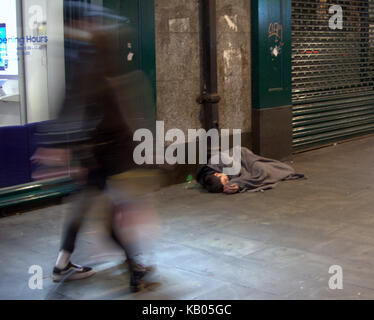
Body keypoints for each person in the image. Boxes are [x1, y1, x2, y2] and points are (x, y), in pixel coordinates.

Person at [31, 2, 155, 292]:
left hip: (96, 148)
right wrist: (61, 147)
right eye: (88, 19)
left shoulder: (78, 52)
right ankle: (134, 268)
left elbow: (73, 99)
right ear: (81, 22)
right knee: (112, 211)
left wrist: (60, 146)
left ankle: (63, 263)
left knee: (87, 204)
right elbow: (80, 98)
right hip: (107, 148)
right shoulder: (92, 50)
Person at [196, 147, 305, 194]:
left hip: (244, 159)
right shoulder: (208, 180)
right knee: (263, 172)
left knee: (262, 171)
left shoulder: (219, 161)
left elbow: (238, 170)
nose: (228, 181)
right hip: (242, 166)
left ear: (217, 173)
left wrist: (238, 183)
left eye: (225, 180)